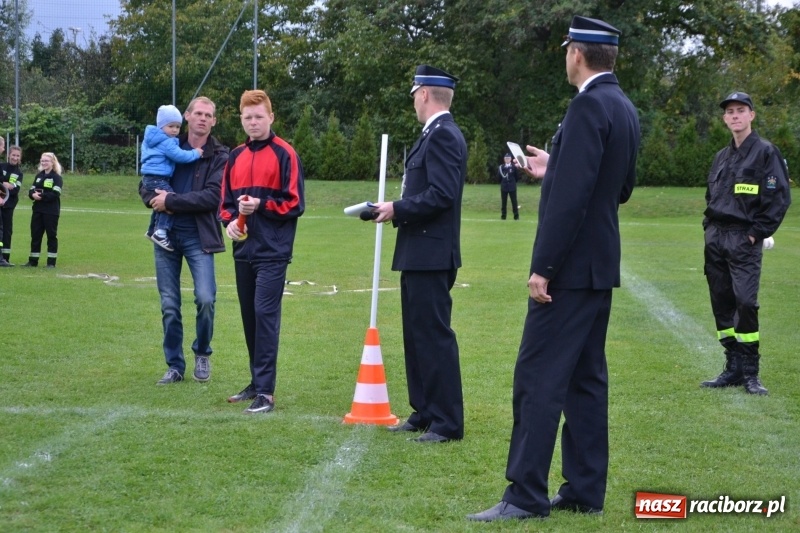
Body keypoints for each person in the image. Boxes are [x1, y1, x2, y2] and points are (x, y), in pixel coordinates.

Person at [468, 16, 640, 521]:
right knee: (586, 380)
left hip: (567, 270)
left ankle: (524, 495)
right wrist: (553, 167)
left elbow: (570, 200)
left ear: (578, 53)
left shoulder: (588, 104)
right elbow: (618, 186)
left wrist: (544, 266)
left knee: (538, 377)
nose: (564, 55)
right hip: (599, 265)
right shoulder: (622, 106)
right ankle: (585, 488)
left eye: (567, 48)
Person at [370, 65, 467, 443]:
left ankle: (447, 421)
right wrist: (394, 207)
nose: (413, 100)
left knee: (433, 336)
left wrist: (397, 208)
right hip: (418, 251)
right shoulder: (432, 135)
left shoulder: (443, 135)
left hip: (432, 253)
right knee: (416, 335)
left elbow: (442, 194)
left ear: (425, 93)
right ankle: (425, 410)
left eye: (414, 93)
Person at [700, 92, 791, 396]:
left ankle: (751, 372)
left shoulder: (766, 152)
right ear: (725, 118)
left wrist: (757, 233)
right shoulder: (720, 157)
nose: (735, 116)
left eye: (741, 110)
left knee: (745, 303)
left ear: (752, 115)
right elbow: (711, 196)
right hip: (716, 238)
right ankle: (733, 367)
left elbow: (778, 198)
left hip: (743, 239)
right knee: (721, 303)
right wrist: (708, 229)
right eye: (730, 112)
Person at [220, 89, 305, 414]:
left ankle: (266, 393)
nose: (253, 122)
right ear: (241, 120)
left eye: (259, 116)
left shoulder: (286, 154)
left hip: (273, 251)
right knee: (249, 317)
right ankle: (256, 382)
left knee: (264, 314)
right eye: (247, 117)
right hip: (244, 251)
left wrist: (262, 205)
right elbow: (225, 203)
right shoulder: (235, 156)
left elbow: (295, 203)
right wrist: (229, 222)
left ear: (271, 117)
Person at [138, 96, 229, 385]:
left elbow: (213, 197)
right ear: (187, 116)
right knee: (169, 304)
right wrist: (155, 198)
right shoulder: (169, 143)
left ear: (214, 121)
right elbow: (147, 185)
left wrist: (171, 200)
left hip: (199, 237)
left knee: (205, 298)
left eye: (208, 115)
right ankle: (175, 365)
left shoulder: (220, 155)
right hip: (166, 235)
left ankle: (202, 352)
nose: (202, 118)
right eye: (197, 113)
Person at [141, 104, 203, 252]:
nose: (175, 130)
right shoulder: (166, 142)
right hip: (158, 178)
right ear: (162, 126)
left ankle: (152, 230)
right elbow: (180, 156)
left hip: (149, 177)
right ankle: (161, 232)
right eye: (171, 126)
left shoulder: (152, 138)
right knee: (169, 200)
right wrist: (196, 153)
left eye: (177, 127)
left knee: (158, 204)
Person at [22, 153, 64, 268]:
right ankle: (33, 261)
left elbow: (55, 194)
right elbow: (31, 190)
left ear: (52, 162)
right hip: (37, 210)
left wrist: (42, 196)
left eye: (46, 161)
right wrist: (32, 195)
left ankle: (51, 263)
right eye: (42, 161)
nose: (44, 163)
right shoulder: (39, 176)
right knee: (35, 236)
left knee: (51, 236)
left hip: (51, 212)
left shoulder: (57, 178)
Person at [1, 144, 24, 266]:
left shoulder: (19, 173)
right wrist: (6, 184)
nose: (15, 157)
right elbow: (5, 185)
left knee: (7, 231)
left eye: (17, 155)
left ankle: (5, 257)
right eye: (13, 155)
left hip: (9, 205)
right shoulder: (1, 166)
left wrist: (3, 184)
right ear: (9, 155)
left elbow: (15, 190)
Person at [497, 153, 520, 220]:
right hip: (504, 187)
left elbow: (517, 177)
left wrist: (512, 183)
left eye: (508, 158)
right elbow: (499, 178)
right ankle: (503, 216)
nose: (507, 160)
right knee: (504, 202)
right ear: (504, 159)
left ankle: (516, 216)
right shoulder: (501, 167)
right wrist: (503, 183)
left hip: (512, 187)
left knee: (514, 202)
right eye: (506, 158)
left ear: (511, 159)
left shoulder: (514, 167)